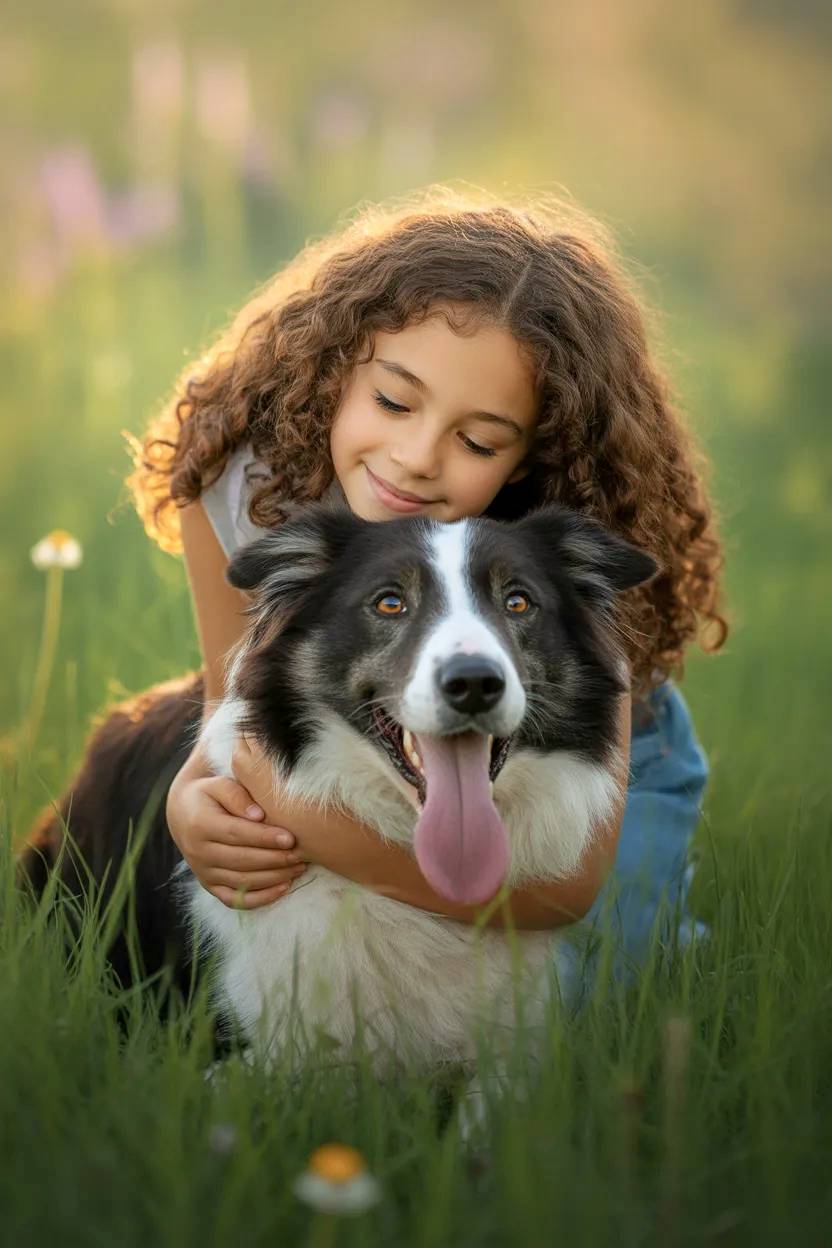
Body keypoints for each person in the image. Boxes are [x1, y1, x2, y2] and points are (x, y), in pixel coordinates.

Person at [127, 187, 727, 978]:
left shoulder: (562, 520)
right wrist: (189, 800)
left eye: (477, 442)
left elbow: (564, 891)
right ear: (337, 363)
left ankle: (669, 920)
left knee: (598, 994)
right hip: (378, 718)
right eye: (393, 401)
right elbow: (227, 705)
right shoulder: (238, 479)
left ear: (532, 455)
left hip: (576, 748)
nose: (416, 456)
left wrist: (338, 842)